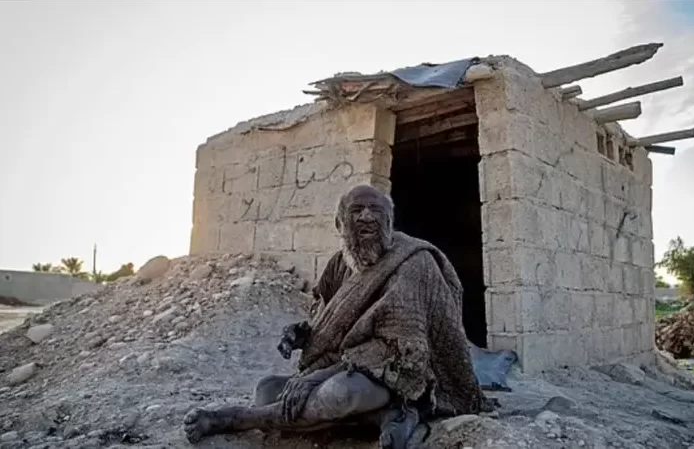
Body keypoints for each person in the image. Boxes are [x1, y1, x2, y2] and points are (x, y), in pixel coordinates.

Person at [183, 184, 493, 448]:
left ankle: (237, 418)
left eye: (375, 210)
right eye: (357, 210)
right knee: (266, 390)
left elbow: (400, 353)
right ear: (339, 223)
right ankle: (386, 416)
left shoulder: (413, 263)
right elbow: (329, 320)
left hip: (395, 376)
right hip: (343, 367)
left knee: (341, 394)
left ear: (389, 220)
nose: (367, 217)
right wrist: (303, 333)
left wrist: (315, 378)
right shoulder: (340, 263)